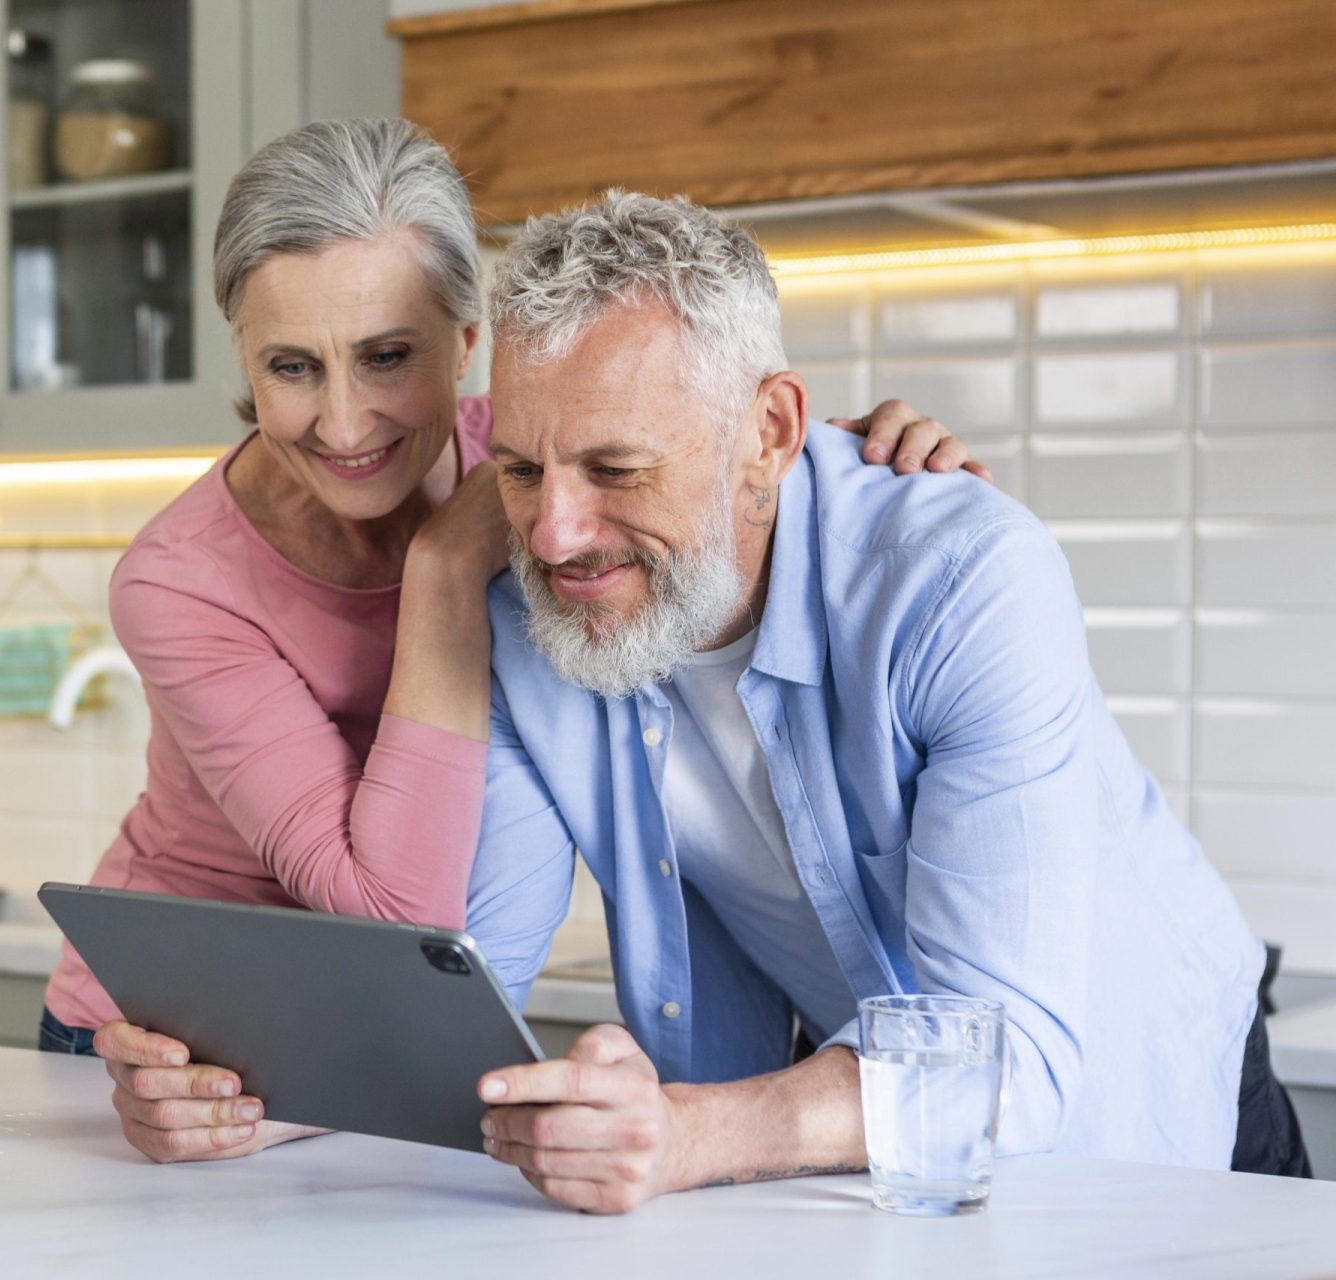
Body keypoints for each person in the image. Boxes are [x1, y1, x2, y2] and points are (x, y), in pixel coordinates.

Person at [56, 120, 984, 1161]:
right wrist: (446, 572)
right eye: (291, 367)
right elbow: (398, 914)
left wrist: (844, 454)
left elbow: (699, 446)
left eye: (387, 357)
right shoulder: (181, 581)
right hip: (184, 1053)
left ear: (468, 341)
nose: (347, 421)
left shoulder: (537, 456)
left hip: (369, 1041)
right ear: (243, 358)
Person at [446, 191, 1308, 1212]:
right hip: (880, 1144)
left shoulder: (962, 577)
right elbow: (470, 982)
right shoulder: (533, 614)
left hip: (1141, 1107)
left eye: (615, 469)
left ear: (767, 431)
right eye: (520, 469)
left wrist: (691, 1130)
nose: (552, 533)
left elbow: (1007, 1053)